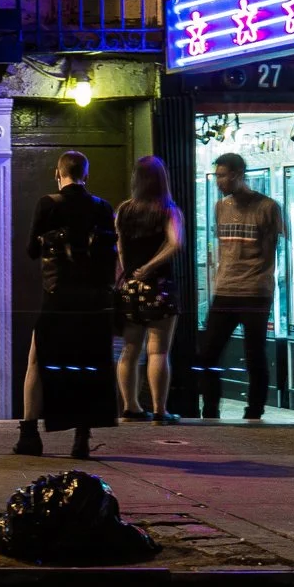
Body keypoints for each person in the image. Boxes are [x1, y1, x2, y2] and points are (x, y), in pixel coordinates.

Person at [17, 150, 121, 458]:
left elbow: (31, 250)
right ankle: (81, 438)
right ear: (86, 175)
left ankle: (30, 435)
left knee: (37, 361)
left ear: (57, 173)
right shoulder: (102, 207)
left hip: (57, 297)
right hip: (93, 301)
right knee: (88, 363)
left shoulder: (48, 204)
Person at [196, 152, 285, 420]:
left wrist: (266, 279)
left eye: (222, 176)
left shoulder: (268, 207)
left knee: (254, 353)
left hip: (256, 290)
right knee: (208, 354)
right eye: (217, 175)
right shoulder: (220, 207)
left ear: (237, 175)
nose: (218, 181)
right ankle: (209, 410)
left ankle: (254, 411)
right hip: (225, 288)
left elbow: (274, 249)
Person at [114, 155, 185, 425]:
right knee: (159, 351)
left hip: (131, 286)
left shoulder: (124, 210)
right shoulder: (169, 210)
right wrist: (151, 266)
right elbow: (175, 243)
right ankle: (159, 409)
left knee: (129, 349)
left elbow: (119, 245)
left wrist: (130, 271)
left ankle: (130, 407)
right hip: (160, 286)